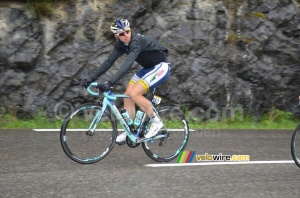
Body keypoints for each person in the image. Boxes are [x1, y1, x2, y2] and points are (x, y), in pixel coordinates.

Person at [81, 18, 170, 143]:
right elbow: (108, 62)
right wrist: (91, 78)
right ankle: (131, 130)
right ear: (116, 36)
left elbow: (127, 64)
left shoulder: (135, 41)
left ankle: (156, 122)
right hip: (148, 68)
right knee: (127, 95)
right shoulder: (120, 45)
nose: (126, 35)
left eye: (127, 31)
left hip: (161, 66)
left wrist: (110, 82)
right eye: (122, 34)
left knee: (135, 94)